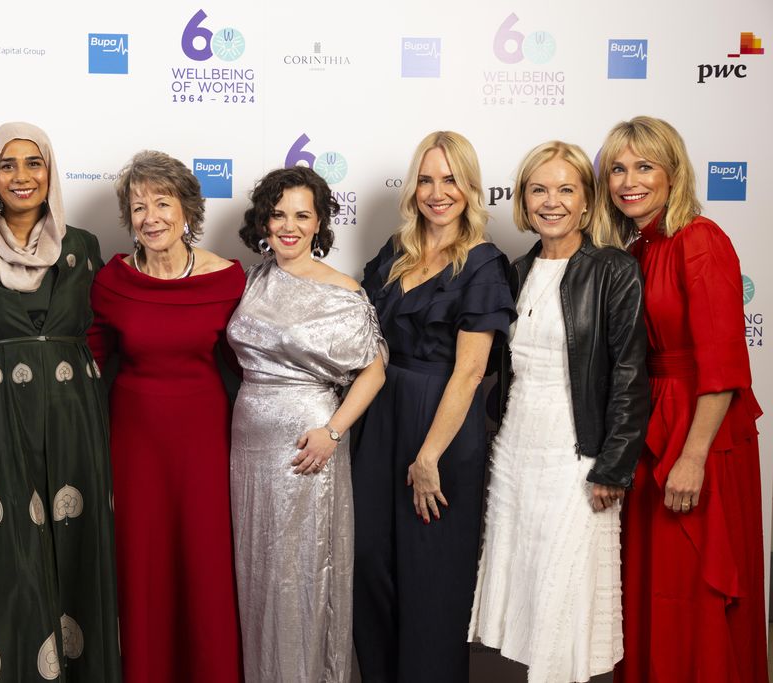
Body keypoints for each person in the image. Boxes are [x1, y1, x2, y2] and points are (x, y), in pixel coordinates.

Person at [0, 122, 121, 682]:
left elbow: (114, 328)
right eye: (7, 164)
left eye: (33, 163)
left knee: (74, 550)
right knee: (3, 557)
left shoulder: (84, 246)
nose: (21, 176)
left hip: (72, 417)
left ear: (50, 173)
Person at [467, 141, 648, 683]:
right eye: (538, 189)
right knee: (528, 593)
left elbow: (630, 374)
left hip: (578, 456)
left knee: (566, 597)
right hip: (517, 451)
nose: (552, 202)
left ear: (588, 203)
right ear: (523, 199)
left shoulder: (613, 270)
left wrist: (614, 465)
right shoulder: (514, 270)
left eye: (566, 189)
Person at [598, 116, 767, 683]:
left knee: (694, 587)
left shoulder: (700, 239)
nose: (629, 181)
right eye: (618, 168)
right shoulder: (638, 248)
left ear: (673, 173)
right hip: (650, 429)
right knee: (654, 590)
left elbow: (722, 367)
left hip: (699, 433)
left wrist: (691, 457)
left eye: (644, 167)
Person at [352, 131, 516, 682]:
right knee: (371, 565)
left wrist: (428, 458)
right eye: (426, 179)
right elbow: (361, 332)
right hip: (380, 421)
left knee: (430, 580)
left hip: (440, 427)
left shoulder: (484, 265)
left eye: (450, 179)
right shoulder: (395, 253)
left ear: (470, 188)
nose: (437, 191)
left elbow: (471, 372)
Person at [88, 150, 244, 683]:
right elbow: (86, 362)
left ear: (187, 211)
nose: (150, 216)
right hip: (134, 443)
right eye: (137, 206)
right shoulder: (112, 281)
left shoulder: (228, 280)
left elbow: (257, 362)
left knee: (205, 566)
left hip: (205, 440)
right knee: (143, 567)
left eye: (162, 202)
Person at [227, 166, 386, 683]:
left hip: (307, 444)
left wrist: (333, 432)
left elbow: (374, 371)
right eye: (278, 215)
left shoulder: (342, 290)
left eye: (302, 215)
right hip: (249, 444)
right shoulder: (252, 279)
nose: (288, 226)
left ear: (320, 224)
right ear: (263, 222)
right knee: (259, 576)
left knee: (302, 574)